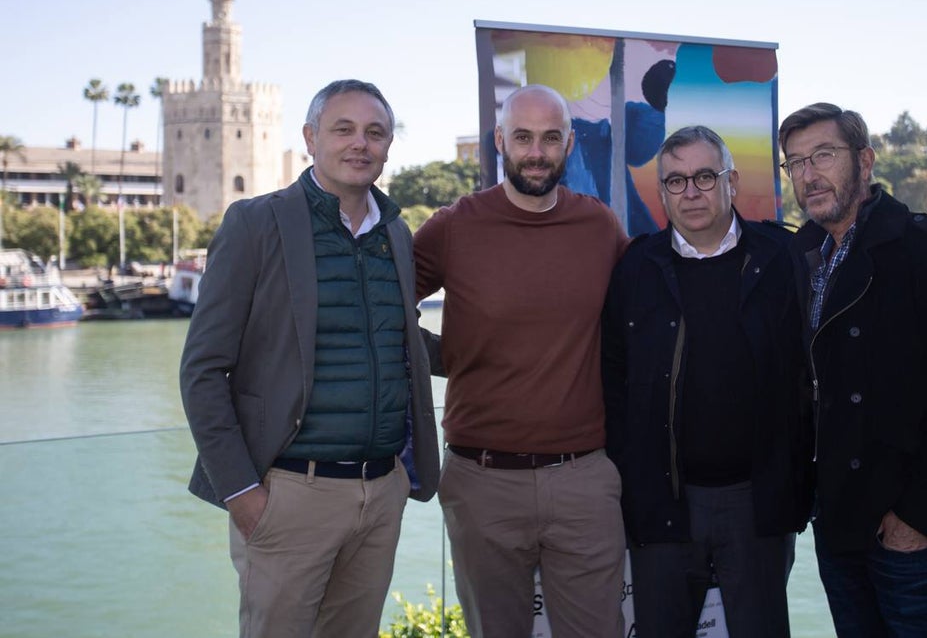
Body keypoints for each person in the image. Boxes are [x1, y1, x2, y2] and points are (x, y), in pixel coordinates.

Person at [180, 79, 440, 638]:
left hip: (380, 490)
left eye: (375, 132)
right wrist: (242, 493)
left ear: (389, 145)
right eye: (342, 129)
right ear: (309, 138)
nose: (359, 144)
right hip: (289, 493)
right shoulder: (255, 224)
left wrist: (507, 346)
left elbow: (401, 339)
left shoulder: (395, 231)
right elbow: (203, 369)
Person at [779, 102, 927, 637]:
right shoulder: (803, 256)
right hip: (837, 525)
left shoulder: (924, 247)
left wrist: (919, 517)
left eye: (823, 155)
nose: (809, 175)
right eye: (795, 163)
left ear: (866, 160)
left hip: (910, 531)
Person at [414, 83, 630, 638]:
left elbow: (648, 317)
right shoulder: (455, 225)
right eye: (524, 137)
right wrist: (444, 356)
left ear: (570, 144)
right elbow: (380, 306)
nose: (537, 152)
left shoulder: (600, 227)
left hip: (584, 479)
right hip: (481, 481)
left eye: (550, 138)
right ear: (500, 141)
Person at [602, 125, 811, 638]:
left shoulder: (780, 258)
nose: (690, 192)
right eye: (675, 181)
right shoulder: (636, 266)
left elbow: (809, 373)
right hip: (664, 503)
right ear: (661, 192)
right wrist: (631, 480)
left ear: (731, 181)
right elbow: (612, 375)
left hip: (758, 502)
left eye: (703, 176)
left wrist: (799, 482)